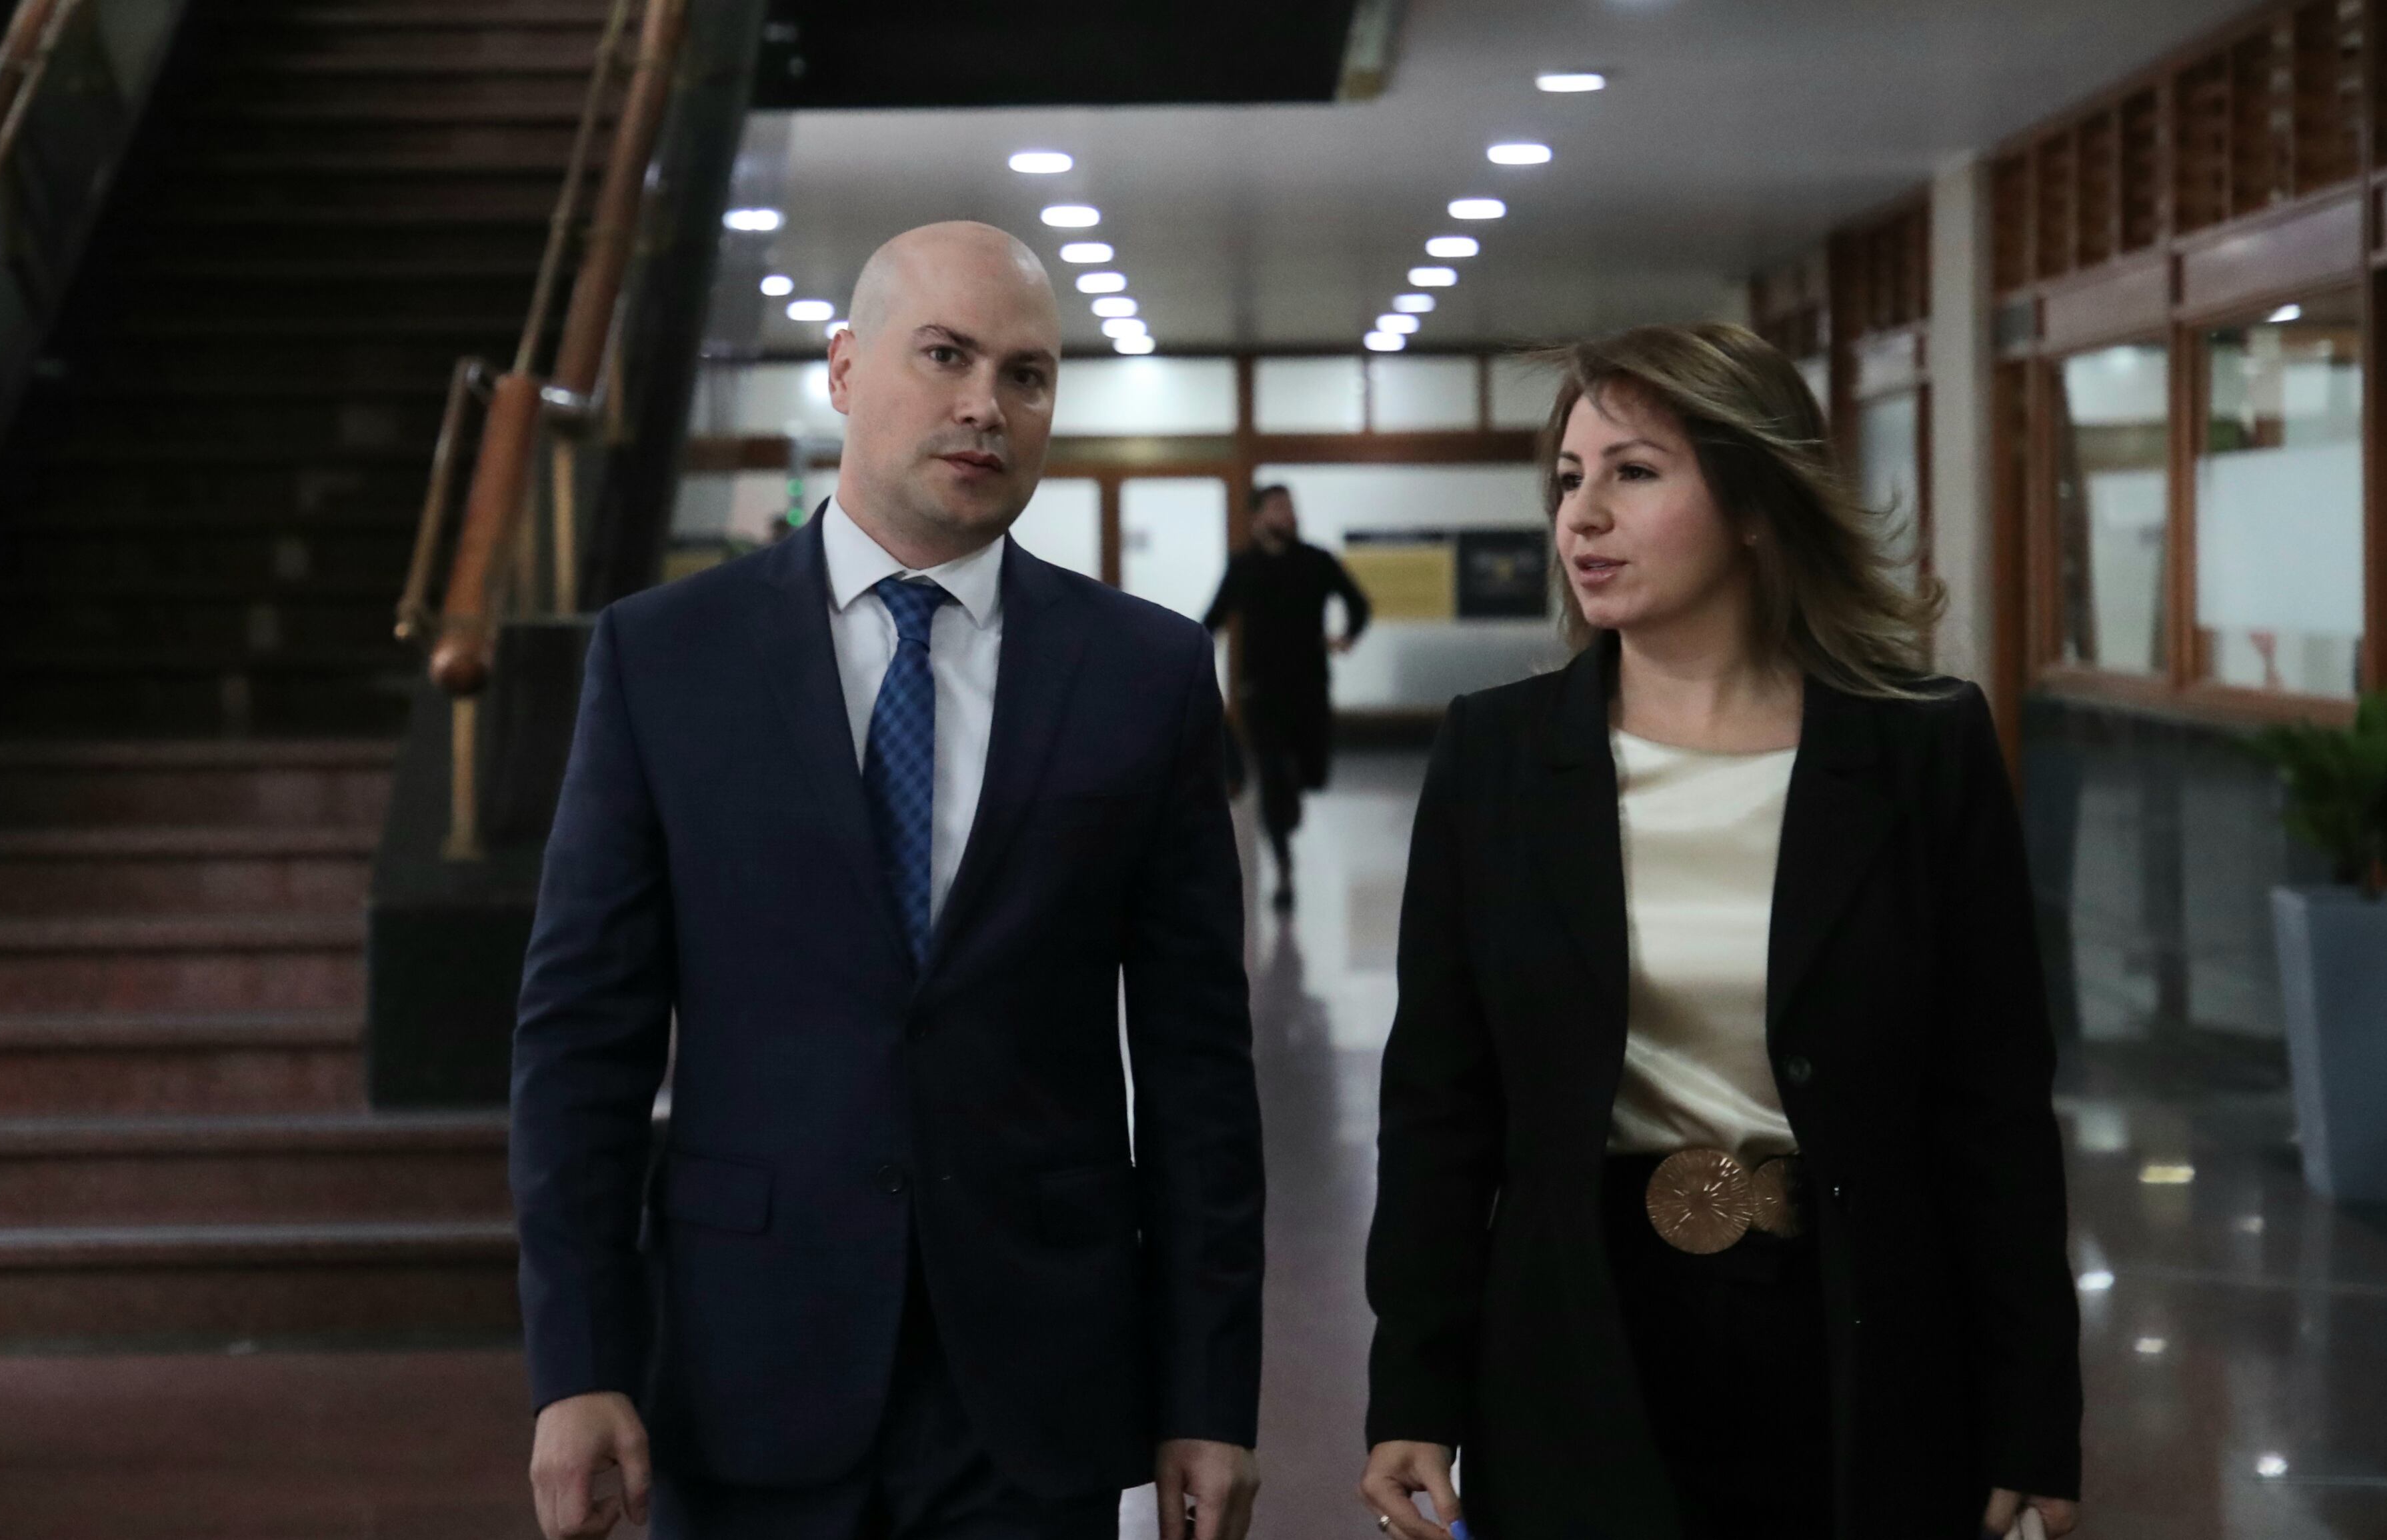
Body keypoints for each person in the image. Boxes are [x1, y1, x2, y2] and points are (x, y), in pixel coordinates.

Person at [511, 222, 1266, 1540]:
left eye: (1027, 375)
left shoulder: (1141, 677)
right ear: (847, 370)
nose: (986, 403)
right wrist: (578, 1363)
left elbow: (1199, 1064)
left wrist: (1210, 1389)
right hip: (749, 1364)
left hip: (1038, 1379)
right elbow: (584, 1034)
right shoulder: (665, 660)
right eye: (946, 355)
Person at [1358, 323, 2083, 1540]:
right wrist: (1413, 1391)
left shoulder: (1918, 750)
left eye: (1634, 473)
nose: (1582, 516)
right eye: (1569, 479)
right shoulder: (1496, 756)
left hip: (1859, 1333)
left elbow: (1994, 1108)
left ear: (1754, 501)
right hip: (1582, 1332)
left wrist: (2033, 1416)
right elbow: (1439, 1106)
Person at [1202, 485, 1371, 911]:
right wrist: (1191, 658)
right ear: (1258, 516)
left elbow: (1358, 603)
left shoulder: (1317, 561)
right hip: (1260, 693)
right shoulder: (1243, 567)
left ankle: (1288, 805)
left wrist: (1347, 637)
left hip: (1310, 689)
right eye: (1279, 508)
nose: (1289, 515)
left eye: (1292, 508)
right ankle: (1284, 868)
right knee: (1274, 777)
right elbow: (1214, 618)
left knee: (1311, 775)